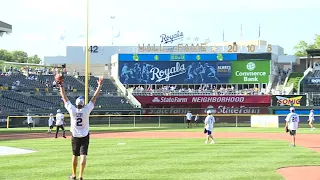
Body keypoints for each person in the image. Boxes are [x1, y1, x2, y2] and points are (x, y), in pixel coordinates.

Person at [57, 74, 103, 180]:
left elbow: (64, 97)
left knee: (74, 155)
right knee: (83, 155)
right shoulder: (86, 110)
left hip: (75, 136)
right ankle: (80, 176)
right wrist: (99, 86)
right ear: (83, 104)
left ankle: (73, 175)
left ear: (76, 103)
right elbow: (94, 97)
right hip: (85, 135)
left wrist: (61, 85)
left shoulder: (72, 110)